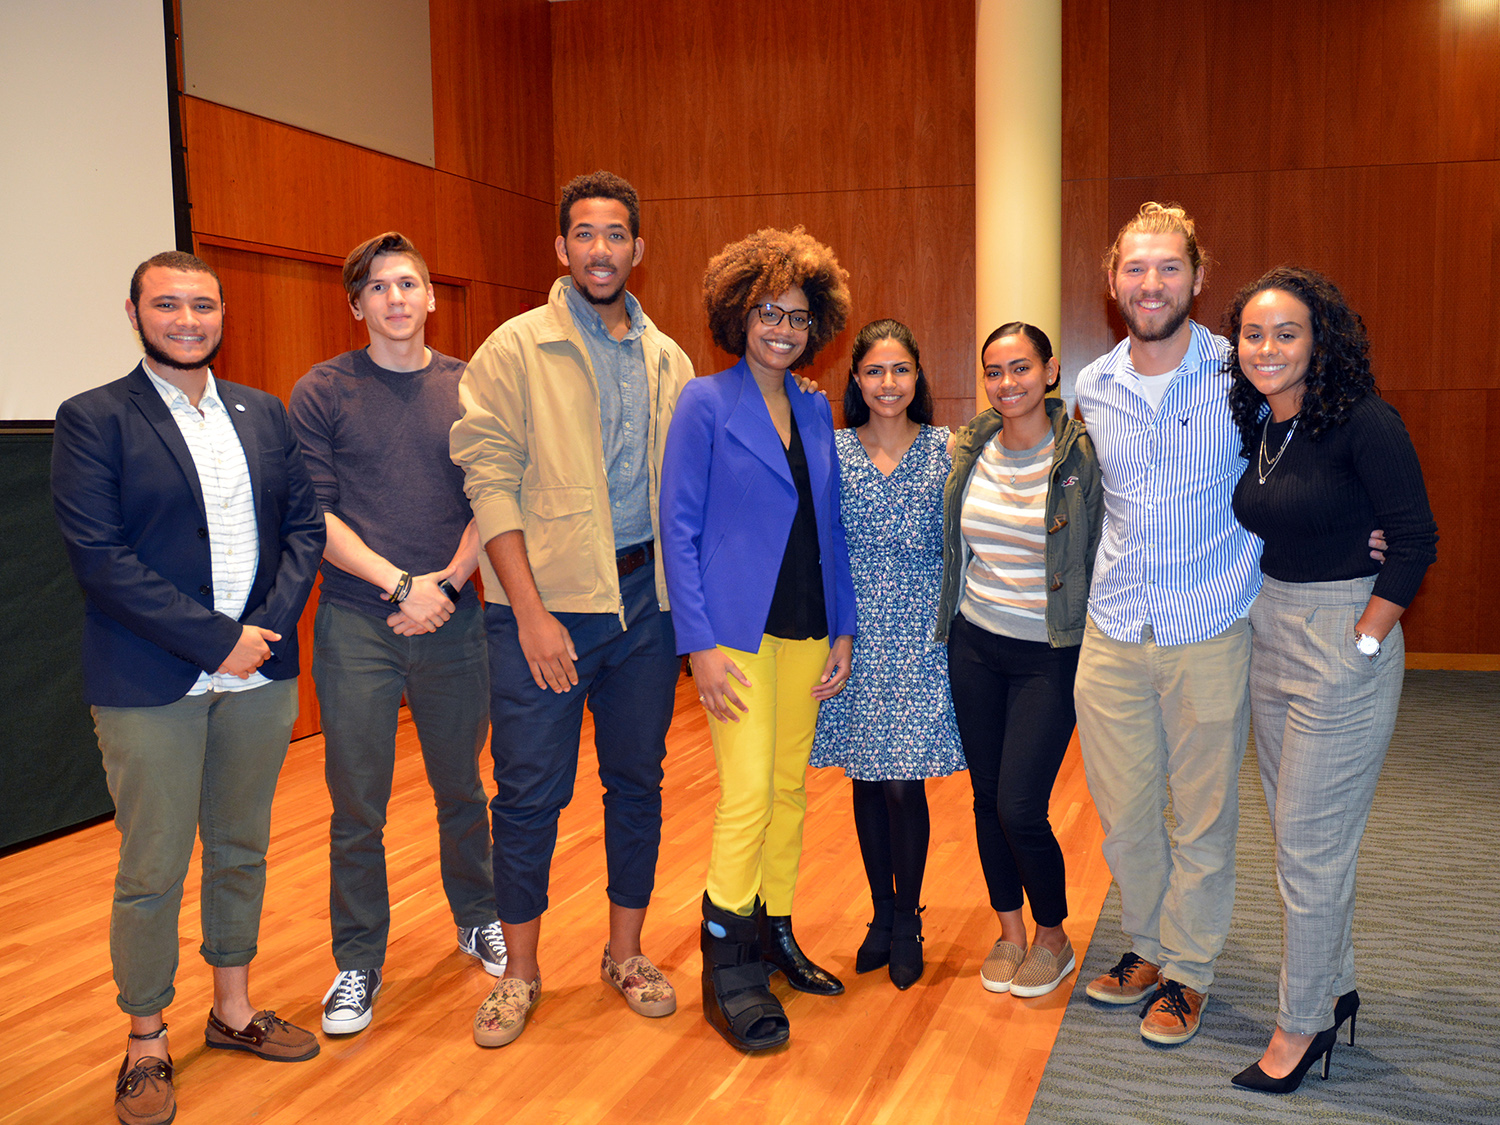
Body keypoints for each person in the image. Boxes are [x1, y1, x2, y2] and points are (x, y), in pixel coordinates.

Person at [51, 251, 326, 1125]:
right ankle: (145, 1038)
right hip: (150, 680)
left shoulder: (264, 413)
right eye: (167, 303)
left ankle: (234, 1009)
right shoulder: (93, 418)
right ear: (134, 312)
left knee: (241, 846)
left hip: (260, 674)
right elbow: (100, 560)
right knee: (154, 864)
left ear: (221, 314)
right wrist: (218, 641)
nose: (187, 318)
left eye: (202, 304)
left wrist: (262, 636)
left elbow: (306, 528)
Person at [451, 171, 694, 1048]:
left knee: (638, 783)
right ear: (562, 248)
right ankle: (518, 973)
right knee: (527, 796)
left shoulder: (670, 359)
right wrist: (529, 612)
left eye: (616, 234)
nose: (601, 249)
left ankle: (624, 954)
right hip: (545, 606)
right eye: (584, 234)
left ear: (638, 248)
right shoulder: (513, 348)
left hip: (645, 606)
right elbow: (488, 481)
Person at [1222, 267, 1435, 1092]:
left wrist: (1368, 641)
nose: (1268, 348)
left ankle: (1300, 1024)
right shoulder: (1267, 427)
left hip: (1343, 637)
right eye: (1253, 334)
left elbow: (1415, 537)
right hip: (1270, 628)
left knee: (1308, 852)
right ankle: (1334, 986)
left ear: (1321, 341)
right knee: (1303, 839)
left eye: (1287, 333)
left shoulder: (1364, 422)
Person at [289, 232, 502, 1038]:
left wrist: (444, 584)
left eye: (409, 283)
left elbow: (495, 495)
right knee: (357, 803)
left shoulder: (472, 386)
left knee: (461, 788)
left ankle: (476, 915)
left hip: (453, 615)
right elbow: (314, 512)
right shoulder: (323, 390)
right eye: (378, 287)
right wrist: (400, 584)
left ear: (431, 297)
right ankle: (357, 961)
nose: (396, 298)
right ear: (357, 305)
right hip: (357, 620)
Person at [659, 226, 855, 1052]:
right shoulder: (705, 403)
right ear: (739, 315)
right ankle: (725, 962)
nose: (783, 328)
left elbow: (830, 525)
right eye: (769, 313)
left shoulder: (814, 406)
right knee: (743, 796)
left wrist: (844, 624)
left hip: (808, 628)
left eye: (799, 316)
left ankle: (774, 930)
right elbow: (678, 526)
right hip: (735, 635)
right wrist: (697, 644)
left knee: (786, 789)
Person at [1071, 203, 1262, 1046]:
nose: (1152, 283)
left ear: (1197, 275)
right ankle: (1148, 946)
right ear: (1113, 282)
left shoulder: (1240, 372)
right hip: (1113, 628)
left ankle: (1189, 968)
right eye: (1136, 269)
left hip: (1209, 625)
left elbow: (1307, 453)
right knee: (1124, 813)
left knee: (1205, 814)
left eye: (1169, 267)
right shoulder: (1093, 385)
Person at [934, 323, 1102, 1001]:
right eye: (995, 371)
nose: (1008, 383)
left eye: (1021, 368)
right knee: (984, 798)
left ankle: (1053, 934)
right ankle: (1009, 930)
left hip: (1049, 652)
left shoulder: (1082, 457)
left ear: (1051, 370)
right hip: (975, 643)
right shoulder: (970, 448)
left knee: (1020, 804)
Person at [809, 319, 965, 991]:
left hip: (924, 630)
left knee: (905, 781)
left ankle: (909, 918)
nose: (888, 383)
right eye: (874, 371)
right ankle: (878, 914)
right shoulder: (832, 447)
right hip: (854, 627)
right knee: (868, 778)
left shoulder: (948, 448)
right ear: (857, 381)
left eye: (900, 369)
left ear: (917, 376)